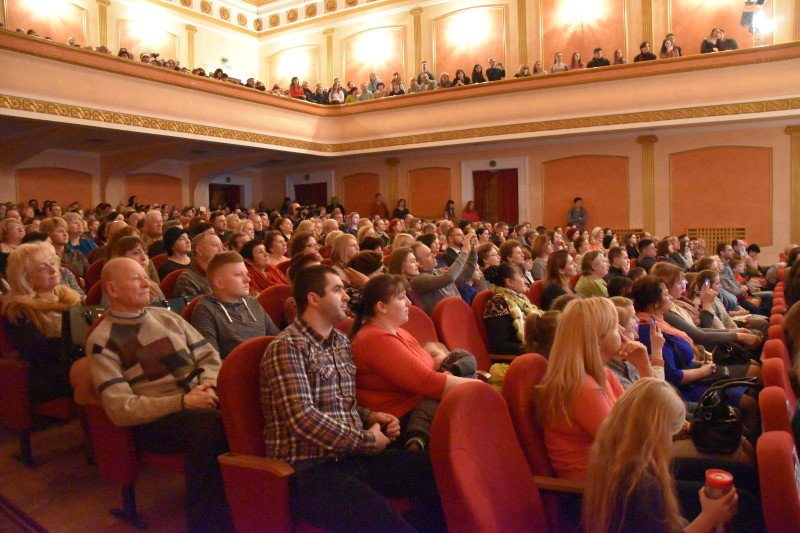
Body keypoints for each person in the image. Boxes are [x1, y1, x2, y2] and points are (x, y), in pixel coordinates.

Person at [260, 265, 446, 532]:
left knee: (441, 473)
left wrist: (370, 416)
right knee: (386, 520)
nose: (347, 296)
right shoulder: (287, 347)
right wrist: (367, 439)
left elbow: (341, 404)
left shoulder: (339, 341)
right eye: (337, 290)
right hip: (312, 472)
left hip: (351, 458)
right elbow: (302, 418)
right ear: (314, 299)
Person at [87, 257, 231, 533]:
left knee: (243, 410)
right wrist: (183, 402)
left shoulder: (166, 317)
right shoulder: (103, 340)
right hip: (154, 419)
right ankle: (206, 524)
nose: (147, 283)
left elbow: (208, 356)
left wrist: (208, 385)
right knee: (210, 426)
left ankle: (248, 503)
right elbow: (120, 408)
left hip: (196, 400)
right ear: (113, 289)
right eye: (136, 279)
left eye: (146, 276)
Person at [583, 378, 738, 533]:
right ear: (658, 434)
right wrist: (709, 517)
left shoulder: (609, 456)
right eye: (671, 436)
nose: (671, 442)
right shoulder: (642, 486)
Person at [351, 274, 474, 450]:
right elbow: (428, 382)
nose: (409, 303)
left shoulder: (398, 332)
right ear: (381, 307)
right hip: (403, 422)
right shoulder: (375, 339)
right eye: (402, 298)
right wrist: (479, 388)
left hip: (423, 402)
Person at [536, 298, 626, 480]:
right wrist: (646, 366)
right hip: (594, 489)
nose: (622, 331)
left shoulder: (603, 374)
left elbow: (633, 418)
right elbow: (626, 443)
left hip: (616, 475)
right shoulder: (581, 387)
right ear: (597, 340)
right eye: (615, 327)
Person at [1, 242, 81, 402]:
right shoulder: (18, 309)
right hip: (47, 373)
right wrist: (82, 341)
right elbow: (37, 352)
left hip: (76, 359)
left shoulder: (69, 297)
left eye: (52, 263)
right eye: (43, 268)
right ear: (25, 278)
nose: (53, 269)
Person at [190, 252, 279, 359]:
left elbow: (277, 339)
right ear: (219, 283)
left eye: (246, 274)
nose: (248, 279)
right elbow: (211, 361)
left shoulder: (252, 302)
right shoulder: (205, 310)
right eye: (238, 275)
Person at [388, 238, 477, 316]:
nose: (434, 255)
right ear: (419, 262)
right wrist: (464, 252)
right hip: (448, 321)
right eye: (428, 255)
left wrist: (472, 249)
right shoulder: (417, 280)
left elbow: (466, 275)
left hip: (461, 314)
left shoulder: (439, 271)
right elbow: (449, 277)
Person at [482, 263, 542, 354]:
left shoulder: (521, 300)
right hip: (518, 357)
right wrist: (533, 349)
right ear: (509, 281)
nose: (526, 281)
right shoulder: (497, 303)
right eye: (521, 276)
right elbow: (500, 346)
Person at [175, 233, 225, 298]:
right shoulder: (187, 279)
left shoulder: (224, 271)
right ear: (199, 250)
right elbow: (194, 304)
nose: (221, 250)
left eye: (221, 246)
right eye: (215, 245)